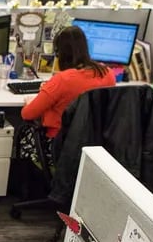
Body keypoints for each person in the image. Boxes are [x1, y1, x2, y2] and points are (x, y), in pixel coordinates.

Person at [19, 25, 116, 166]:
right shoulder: (107, 73)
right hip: (91, 148)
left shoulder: (63, 80)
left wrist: (32, 100)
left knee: (24, 134)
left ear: (59, 54)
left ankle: (26, 185)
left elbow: (27, 114)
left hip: (59, 147)